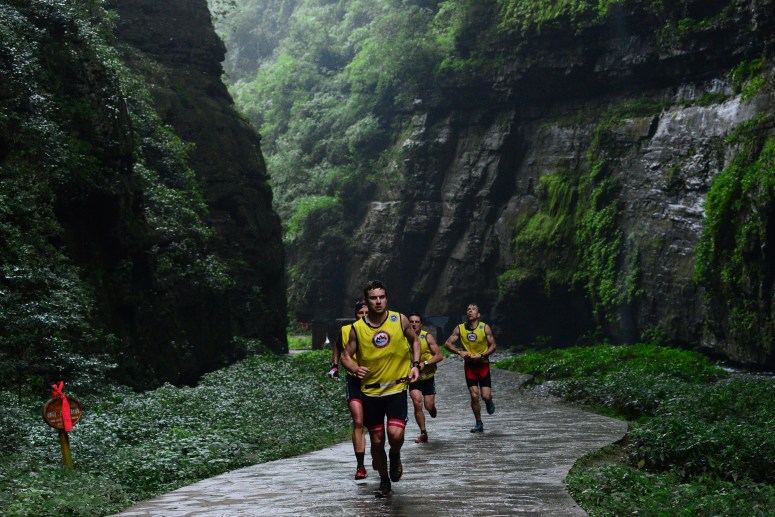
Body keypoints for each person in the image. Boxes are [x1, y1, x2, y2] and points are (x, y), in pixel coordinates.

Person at [341, 280, 421, 497]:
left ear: (386, 298)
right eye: (374, 298)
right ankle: (385, 481)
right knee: (377, 440)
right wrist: (354, 368)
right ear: (366, 301)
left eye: (382, 297)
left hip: (396, 389)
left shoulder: (399, 319)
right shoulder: (358, 328)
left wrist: (415, 365)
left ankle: (395, 454)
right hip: (371, 393)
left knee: (395, 435)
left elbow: (415, 341)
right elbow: (345, 355)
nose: (378, 301)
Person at [327, 299, 370, 479]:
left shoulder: (379, 331)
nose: (364, 317)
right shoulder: (346, 331)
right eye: (361, 313)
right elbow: (338, 346)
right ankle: (360, 466)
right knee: (358, 422)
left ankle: (378, 456)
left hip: (375, 382)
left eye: (367, 313)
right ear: (355, 315)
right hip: (353, 382)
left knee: (375, 426)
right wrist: (334, 366)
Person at [444, 303, 497, 433]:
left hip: (483, 365)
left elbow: (493, 346)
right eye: (468, 309)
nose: (470, 311)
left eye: (473, 310)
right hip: (470, 367)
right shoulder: (460, 328)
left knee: (485, 396)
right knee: (474, 396)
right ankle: (479, 423)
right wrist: (459, 352)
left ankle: (489, 401)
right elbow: (447, 344)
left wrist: (482, 355)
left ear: (478, 315)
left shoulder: (485, 328)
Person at [407, 313, 443, 443]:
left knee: (429, 406)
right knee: (417, 403)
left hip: (428, 376)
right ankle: (423, 433)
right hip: (413, 378)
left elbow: (439, 355)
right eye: (411, 321)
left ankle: (432, 409)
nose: (414, 324)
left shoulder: (427, 337)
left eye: (417, 322)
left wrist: (425, 363)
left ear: (421, 324)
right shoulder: (403, 338)